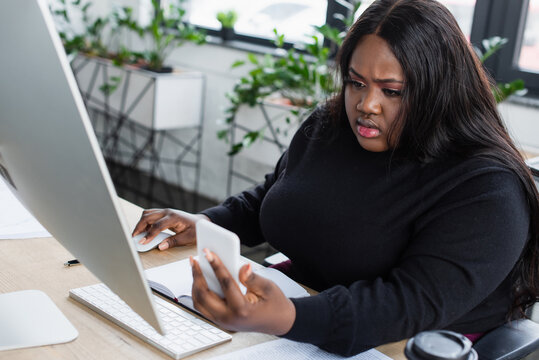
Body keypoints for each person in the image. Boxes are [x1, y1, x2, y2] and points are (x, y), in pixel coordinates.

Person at [133, 0, 539, 356]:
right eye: (355, 83)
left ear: (439, 90)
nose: (367, 105)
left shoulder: (488, 189)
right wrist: (208, 222)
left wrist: (290, 317)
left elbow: (406, 305)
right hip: (306, 315)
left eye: (392, 91)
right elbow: (278, 195)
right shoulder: (331, 126)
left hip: (406, 344)